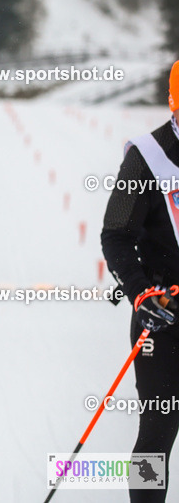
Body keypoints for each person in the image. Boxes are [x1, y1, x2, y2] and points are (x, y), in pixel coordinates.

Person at [102, 60, 179, 503]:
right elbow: (115, 234)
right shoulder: (147, 158)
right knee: (156, 436)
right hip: (162, 319)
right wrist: (139, 291)